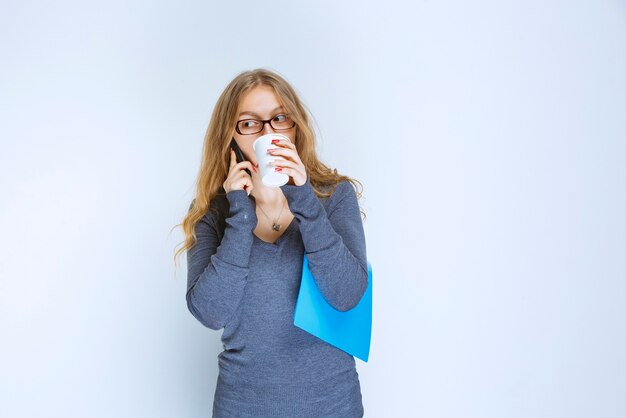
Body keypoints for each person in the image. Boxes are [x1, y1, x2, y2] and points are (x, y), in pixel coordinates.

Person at [175, 68, 369, 417]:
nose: (268, 132)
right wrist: (240, 216)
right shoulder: (212, 212)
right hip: (243, 407)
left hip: (332, 406)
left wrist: (304, 199)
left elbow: (348, 296)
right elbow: (210, 312)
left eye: (279, 118)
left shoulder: (332, 197)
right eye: (250, 123)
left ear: (294, 127)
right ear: (231, 138)